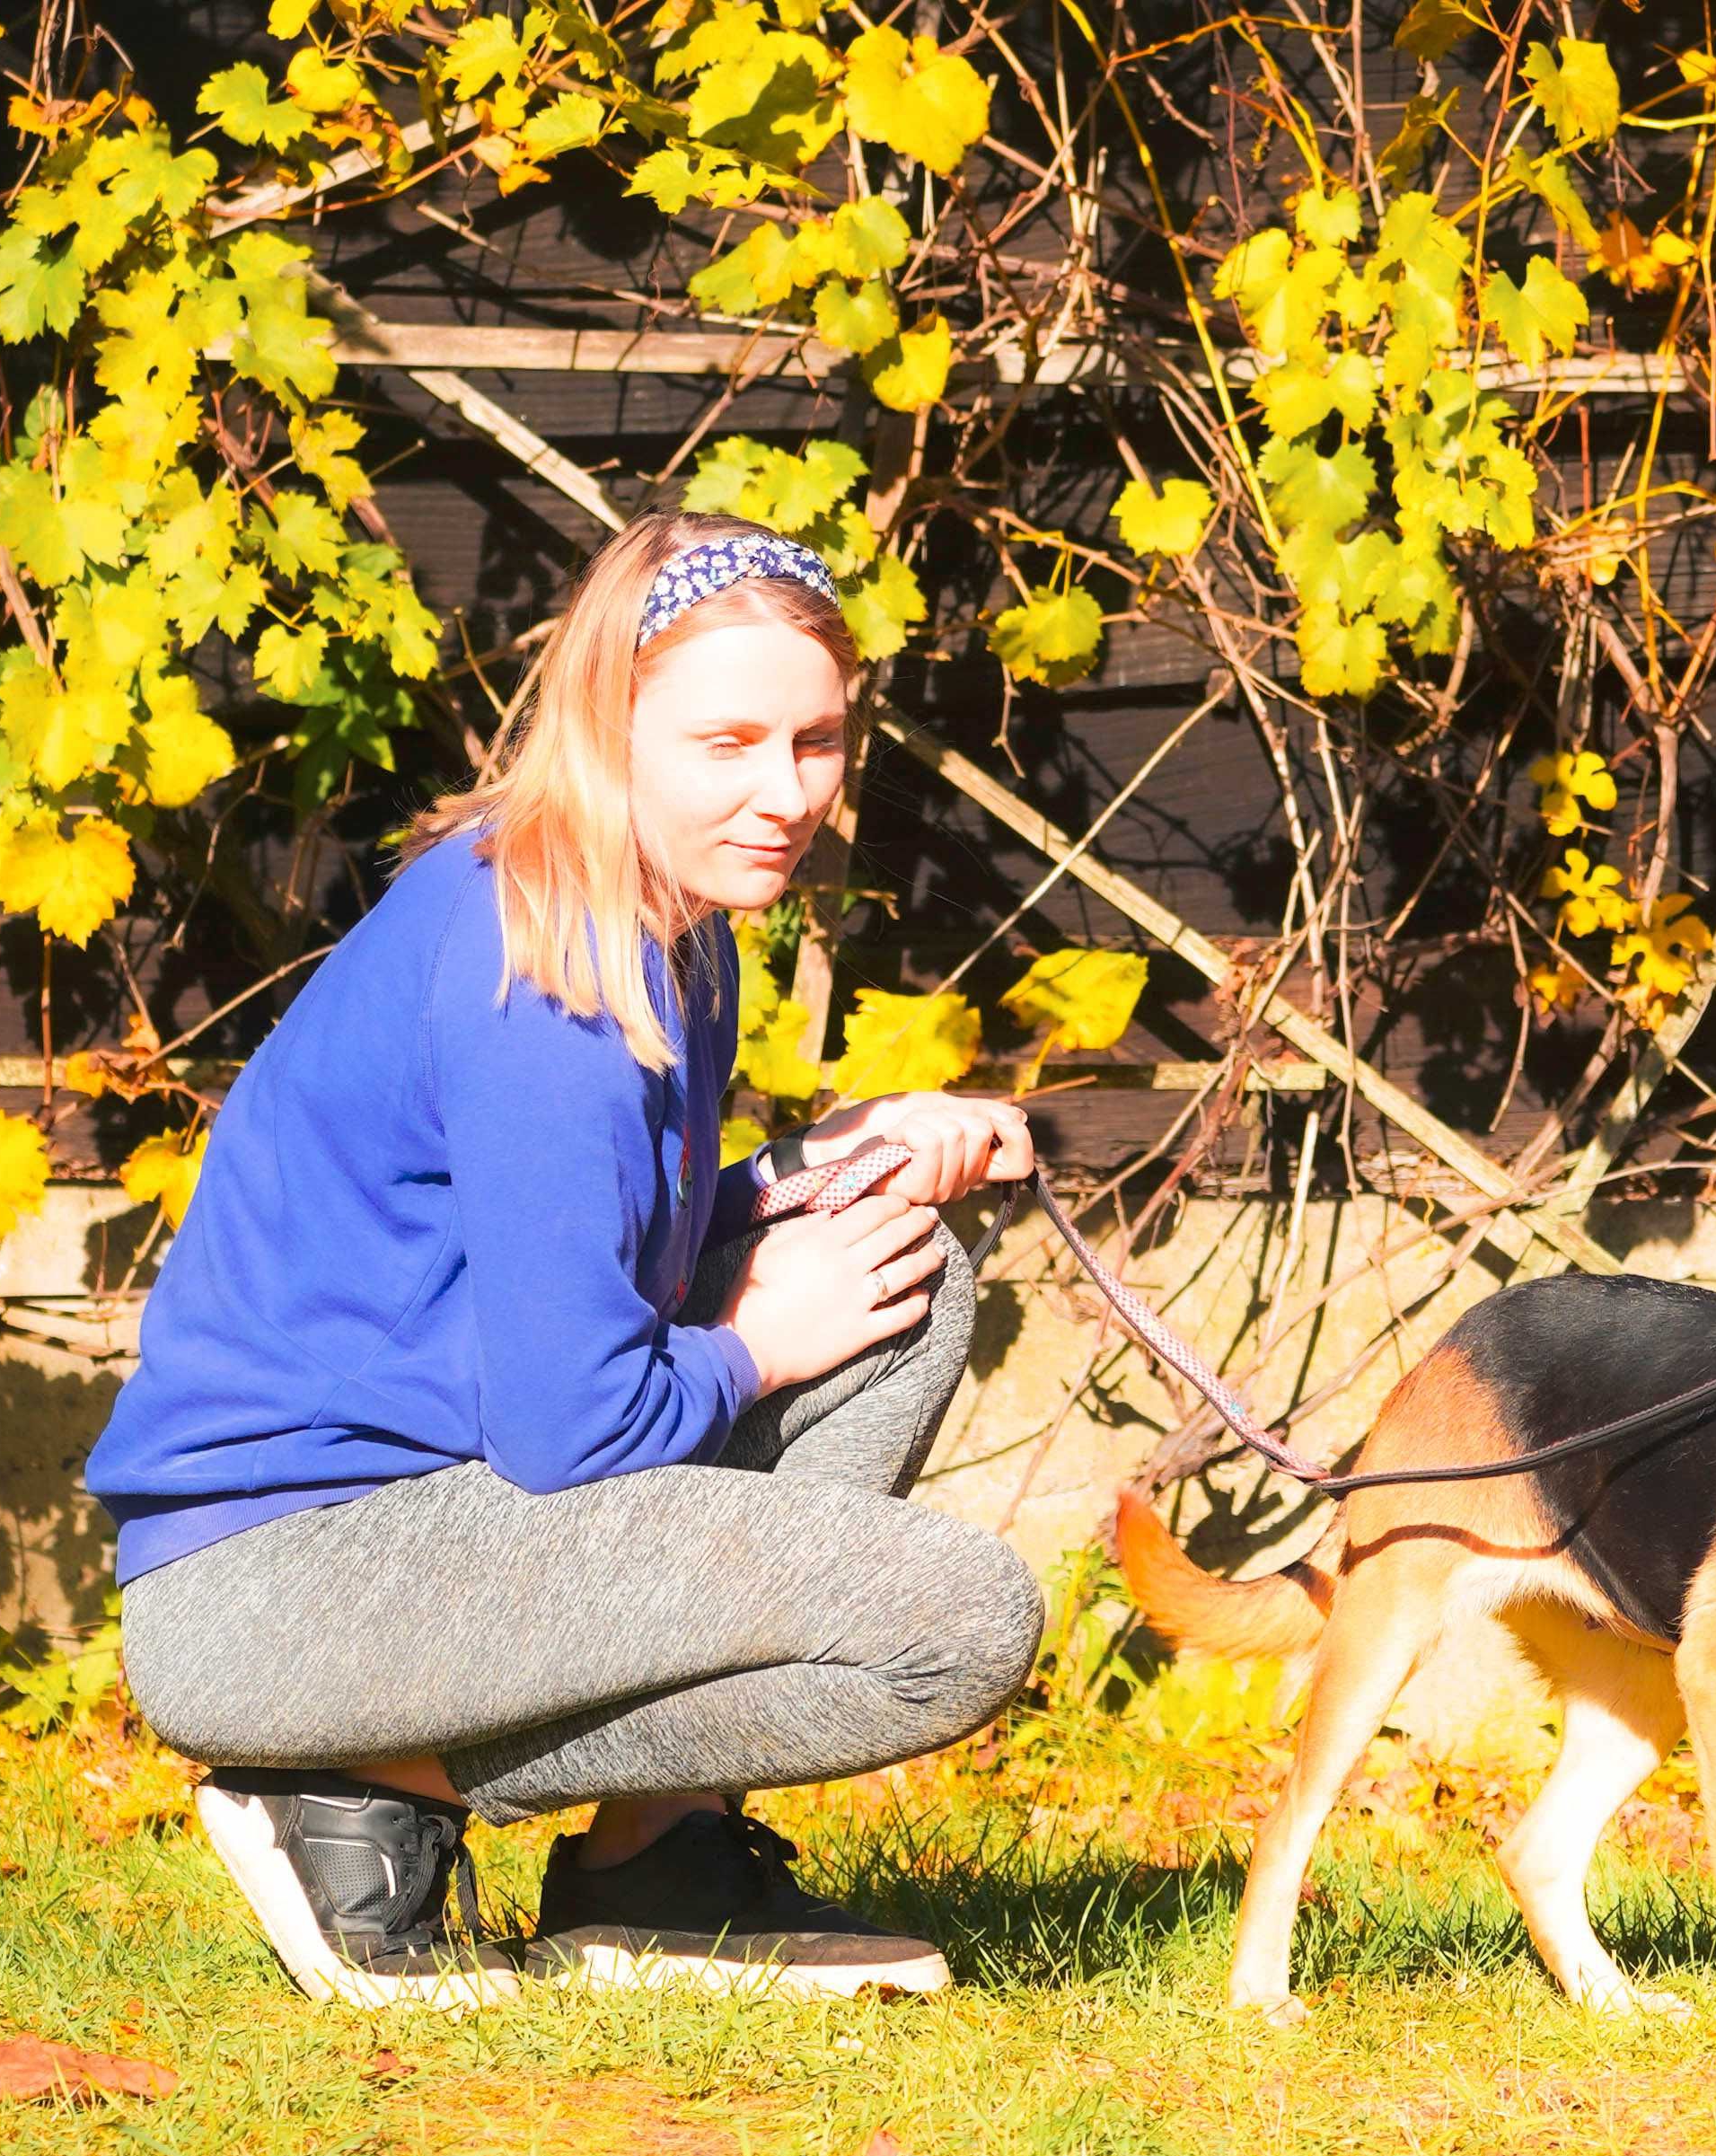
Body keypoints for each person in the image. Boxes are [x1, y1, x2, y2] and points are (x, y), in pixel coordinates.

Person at [85, 513, 1045, 2009]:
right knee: (958, 1624)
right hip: (284, 1582)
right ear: (614, 723)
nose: (781, 793)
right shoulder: (548, 970)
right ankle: (353, 1789)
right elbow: (572, 1427)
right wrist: (755, 1351)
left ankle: (649, 1870)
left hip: (437, 1511)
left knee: (903, 1276)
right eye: (726, 741)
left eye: (816, 740)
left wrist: (815, 1163)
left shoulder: (662, 917)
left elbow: (570, 1251)